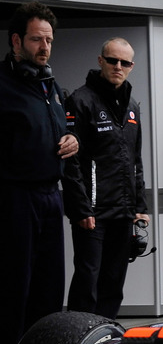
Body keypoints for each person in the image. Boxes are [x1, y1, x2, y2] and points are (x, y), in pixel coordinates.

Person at [0, 1, 79, 344]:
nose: (44, 47)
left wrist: (72, 140)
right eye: (36, 39)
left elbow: (59, 131)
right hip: (15, 197)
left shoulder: (51, 86)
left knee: (49, 292)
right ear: (16, 41)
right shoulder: (4, 85)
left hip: (51, 196)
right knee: (15, 290)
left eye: (49, 39)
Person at [62, 38, 148, 320]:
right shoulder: (81, 100)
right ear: (101, 61)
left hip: (123, 212)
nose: (118, 67)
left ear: (131, 66)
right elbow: (70, 163)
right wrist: (80, 209)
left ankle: (105, 338)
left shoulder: (133, 105)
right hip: (92, 214)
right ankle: (76, 338)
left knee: (114, 281)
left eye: (125, 63)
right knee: (88, 280)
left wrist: (140, 205)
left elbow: (135, 159)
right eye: (112, 60)